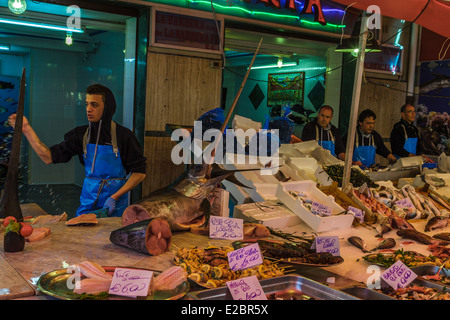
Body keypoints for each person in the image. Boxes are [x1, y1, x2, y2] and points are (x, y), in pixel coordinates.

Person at [8, 84, 146, 217]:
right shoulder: (80, 135)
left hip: (115, 205)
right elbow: (48, 157)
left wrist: (114, 197)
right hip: (88, 203)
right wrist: (26, 129)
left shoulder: (124, 136)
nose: (88, 109)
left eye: (94, 104)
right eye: (86, 104)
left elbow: (140, 173)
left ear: (108, 107)